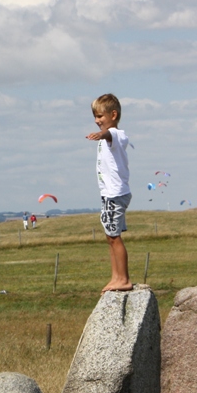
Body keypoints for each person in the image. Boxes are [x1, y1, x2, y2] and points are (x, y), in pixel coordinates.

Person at [86, 93, 132, 292]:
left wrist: (102, 134)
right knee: (110, 236)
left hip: (115, 194)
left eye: (100, 116)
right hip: (109, 194)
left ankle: (123, 279)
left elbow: (109, 134)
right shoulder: (107, 137)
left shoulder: (117, 135)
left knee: (114, 236)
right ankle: (115, 277)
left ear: (113, 115)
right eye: (95, 117)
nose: (97, 121)